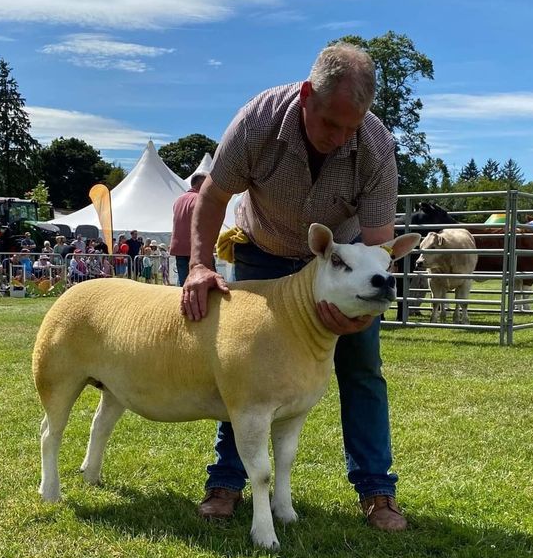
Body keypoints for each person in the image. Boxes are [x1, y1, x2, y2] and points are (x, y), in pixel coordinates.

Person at [180, 42, 406, 531]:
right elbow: (213, 196)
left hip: (340, 264)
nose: (343, 137)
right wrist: (199, 265)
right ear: (307, 96)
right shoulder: (258, 122)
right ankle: (226, 480)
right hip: (263, 251)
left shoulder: (375, 145)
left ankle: (376, 491)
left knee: (362, 365)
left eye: (353, 126)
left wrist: (359, 315)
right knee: (243, 365)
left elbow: (378, 246)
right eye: (332, 124)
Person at [170, 172, 204, 285]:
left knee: (183, 285)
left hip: (179, 248)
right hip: (196, 249)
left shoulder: (178, 200)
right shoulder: (200, 198)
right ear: (201, 183)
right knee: (204, 285)